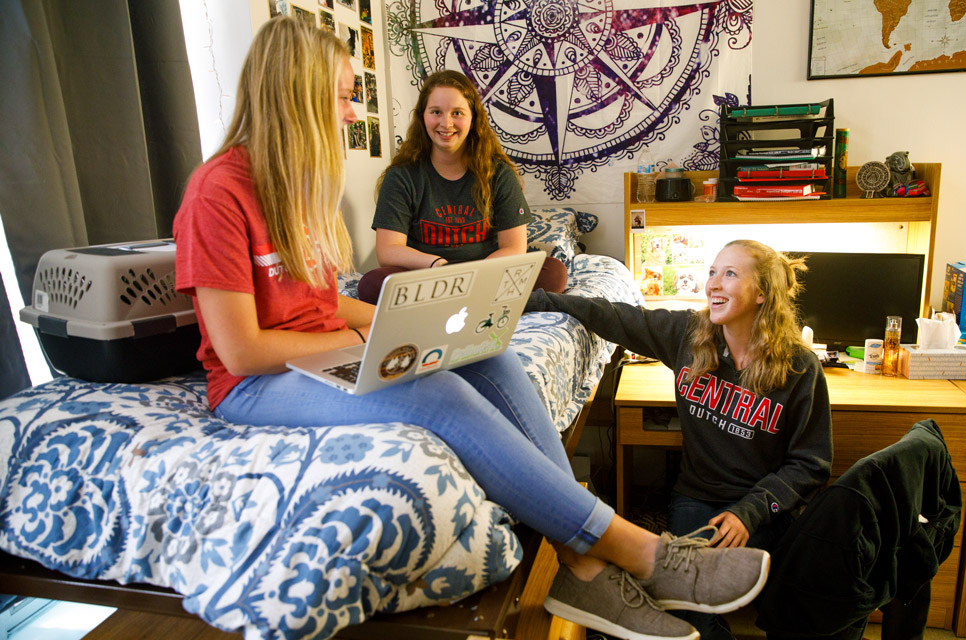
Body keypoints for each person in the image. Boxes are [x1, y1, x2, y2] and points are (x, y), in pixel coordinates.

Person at [173, 18, 768, 640]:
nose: (351, 112)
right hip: (255, 386)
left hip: (318, 353)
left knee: (490, 355)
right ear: (298, 93)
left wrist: (407, 323)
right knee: (430, 390)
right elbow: (241, 351)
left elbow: (321, 303)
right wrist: (370, 343)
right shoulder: (219, 191)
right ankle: (636, 551)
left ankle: (581, 565)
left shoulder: (293, 188)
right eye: (344, 95)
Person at [527, 239, 834, 639]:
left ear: (762, 293)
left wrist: (750, 512)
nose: (713, 285)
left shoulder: (799, 367)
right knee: (689, 607)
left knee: (745, 593)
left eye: (730, 274)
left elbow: (811, 464)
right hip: (696, 496)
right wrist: (541, 301)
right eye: (711, 273)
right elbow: (615, 316)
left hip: (760, 504)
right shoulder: (690, 334)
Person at [356, 69, 567, 304]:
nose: (446, 123)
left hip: (486, 274)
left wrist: (474, 277)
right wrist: (436, 265)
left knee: (553, 273)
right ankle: (474, 301)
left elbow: (514, 247)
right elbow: (388, 251)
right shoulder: (401, 176)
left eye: (457, 113)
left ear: (473, 117)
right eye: (436, 112)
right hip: (426, 275)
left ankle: (452, 302)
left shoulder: (497, 172)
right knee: (371, 285)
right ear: (422, 116)